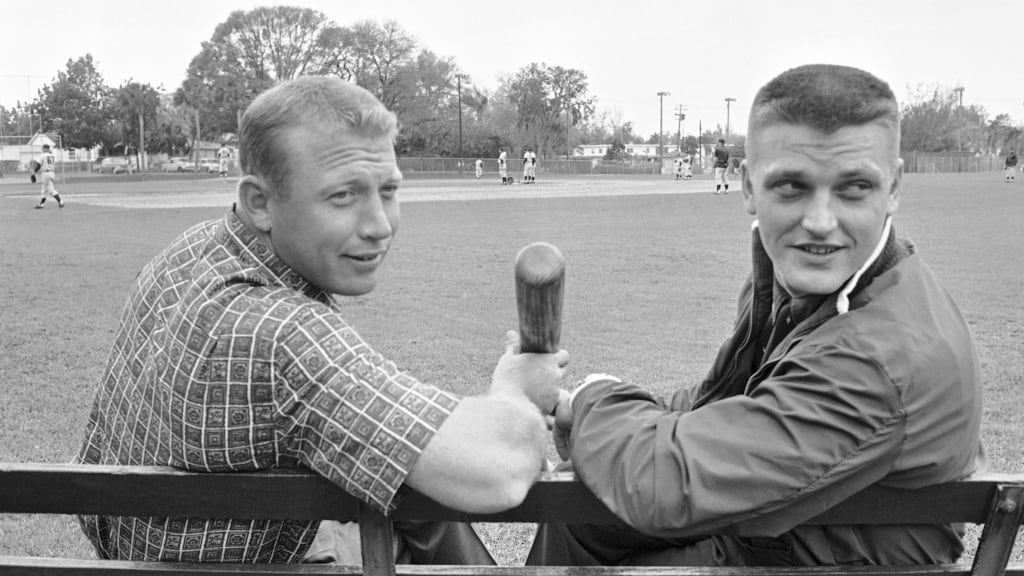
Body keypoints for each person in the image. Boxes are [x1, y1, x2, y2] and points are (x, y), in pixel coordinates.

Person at [75, 76, 569, 565]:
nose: (379, 224)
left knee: (418, 501)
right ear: (260, 202)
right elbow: (497, 470)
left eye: (389, 190)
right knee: (428, 504)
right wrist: (515, 391)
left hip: (145, 554)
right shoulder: (282, 335)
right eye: (342, 196)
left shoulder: (190, 250)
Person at [528, 64, 985, 568]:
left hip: (827, 561)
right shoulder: (815, 282)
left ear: (894, 187)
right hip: (805, 540)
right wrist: (607, 411)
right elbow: (723, 404)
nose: (819, 222)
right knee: (584, 519)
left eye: (854, 188)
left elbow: (668, 484)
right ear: (747, 185)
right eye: (791, 187)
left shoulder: (877, 357)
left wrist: (596, 398)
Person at [31, 144, 63, 209]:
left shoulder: (42, 156)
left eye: (43, 148)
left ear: (46, 149)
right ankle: (41, 204)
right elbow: (54, 165)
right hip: (52, 172)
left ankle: (60, 201)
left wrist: (34, 172)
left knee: (50, 189)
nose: (42, 150)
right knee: (44, 189)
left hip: (46, 173)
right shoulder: (52, 155)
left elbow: (38, 165)